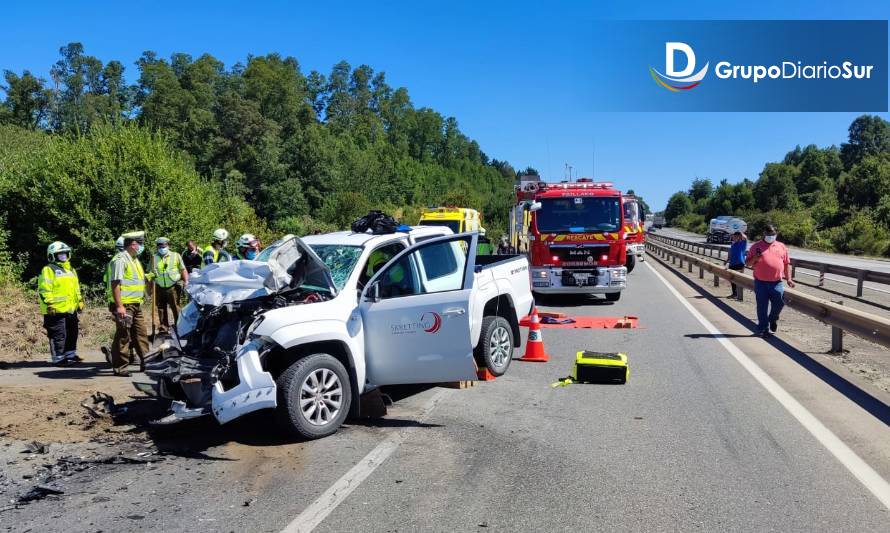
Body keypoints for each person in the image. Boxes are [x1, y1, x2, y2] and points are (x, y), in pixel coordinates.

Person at [108, 231, 149, 376]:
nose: (142, 246)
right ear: (133, 244)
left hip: (135, 304)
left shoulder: (134, 259)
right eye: (140, 243)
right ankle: (120, 367)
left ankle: (147, 362)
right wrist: (119, 306)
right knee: (123, 335)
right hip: (125, 304)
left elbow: (136, 280)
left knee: (140, 334)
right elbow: (115, 283)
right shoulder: (120, 260)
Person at [38, 241, 84, 366]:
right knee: (58, 334)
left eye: (65, 253)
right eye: (60, 254)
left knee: (72, 332)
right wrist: (50, 304)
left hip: (70, 308)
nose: (63, 256)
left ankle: (70, 354)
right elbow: (44, 289)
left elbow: (76, 288)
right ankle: (58, 358)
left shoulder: (71, 270)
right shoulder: (48, 270)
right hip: (55, 310)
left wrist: (79, 301)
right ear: (53, 255)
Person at [745, 225, 794, 337]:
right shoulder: (756, 246)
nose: (771, 236)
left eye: (773, 234)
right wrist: (755, 259)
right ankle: (763, 328)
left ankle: (772, 319)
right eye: (768, 234)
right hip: (760, 282)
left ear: (776, 234)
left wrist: (789, 279)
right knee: (762, 306)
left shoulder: (781, 246)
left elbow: (786, 264)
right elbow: (748, 263)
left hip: (777, 282)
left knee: (779, 303)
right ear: (764, 234)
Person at [149, 237, 188, 335]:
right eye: (160, 246)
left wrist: (186, 281)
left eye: (164, 246)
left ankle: (180, 328)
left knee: (175, 307)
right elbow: (150, 272)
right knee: (161, 308)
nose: (162, 248)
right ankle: (164, 328)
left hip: (173, 287)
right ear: (157, 247)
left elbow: (183, 269)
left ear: (168, 245)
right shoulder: (154, 257)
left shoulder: (176, 256)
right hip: (159, 287)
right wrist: (149, 287)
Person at [726, 231, 747, 300]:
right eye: (733, 236)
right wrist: (727, 260)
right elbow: (731, 254)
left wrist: (740, 233)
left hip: (739, 264)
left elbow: (745, 238)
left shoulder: (742, 243)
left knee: (738, 279)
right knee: (732, 279)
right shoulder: (733, 244)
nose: (734, 238)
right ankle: (734, 294)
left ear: (739, 237)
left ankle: (739, 295)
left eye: (736, 236)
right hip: (732, 263)